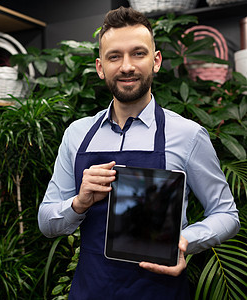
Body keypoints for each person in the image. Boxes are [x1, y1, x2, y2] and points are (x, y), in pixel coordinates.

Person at [38, 6, 240, 300]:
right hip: (90, 290)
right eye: (114, 56)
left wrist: (182, 241)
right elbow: (46, 221)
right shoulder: (77, 135)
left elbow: (226, 213)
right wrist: (78, 203)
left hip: (161, 292)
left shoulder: (188, 135)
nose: (127, 66)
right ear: (100, 67)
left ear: (156, 61)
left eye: (138, 53)